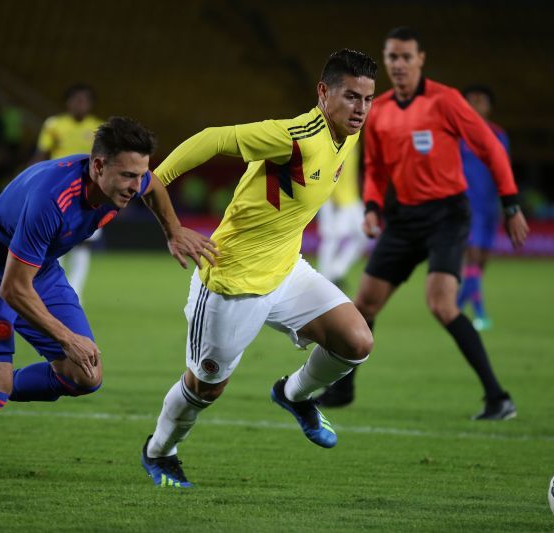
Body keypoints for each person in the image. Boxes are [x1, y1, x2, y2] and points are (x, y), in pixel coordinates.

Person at [0, 117, 216, 499]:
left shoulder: (123, 183)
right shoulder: (51, 200)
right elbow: (12, 289)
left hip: (37, 267)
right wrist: (66, 337)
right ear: (97, 166)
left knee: (84, 375)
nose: (135, 186)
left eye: (138, 174)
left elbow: (154, 185)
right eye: (127, 175)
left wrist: (173, 230)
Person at [140, 49, 377, 488]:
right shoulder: (296, 136)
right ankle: (159, 451)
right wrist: (152, 179)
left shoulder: (349, 134)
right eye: (350, 97)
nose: (360, 109)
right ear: (323, 93)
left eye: (367, 98)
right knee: (204, 390)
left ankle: (292, 394)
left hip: (286, 271)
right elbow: (213, 138)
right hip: (232, 280)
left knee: (356, 341)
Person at [317, 28, 528, 420]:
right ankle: (343, 389)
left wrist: (511, 203)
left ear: (420, 60)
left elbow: (489, 147)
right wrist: (373, 206)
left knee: (441, 305)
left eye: (405, 57)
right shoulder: (376, 110)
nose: (398, 65)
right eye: (392, 57)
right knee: (364, 304)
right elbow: (376, 166)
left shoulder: (445, 101)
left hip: (446, 215)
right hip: (402, 219)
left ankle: (498, 397)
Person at [31, 83, 104, 300]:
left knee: (83, 243)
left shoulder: (99, 129)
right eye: (76, 99)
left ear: (90, 104)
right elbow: (41, 154)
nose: (80, 104)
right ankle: (56, 291)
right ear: (68, 102)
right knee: (56, 240)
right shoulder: (54, 125)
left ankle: (75, 295)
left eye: (85, 100)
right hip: (58, 190)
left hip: (88, 193)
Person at [456, 85, 511, 331]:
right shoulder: (458, 135)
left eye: (482, 101)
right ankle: (480, 314)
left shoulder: (499, 135)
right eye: (472, 101)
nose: (477, 105)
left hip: (490, 207)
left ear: (489, 106)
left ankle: (454, 307)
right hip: (467, 205)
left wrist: (508, 205)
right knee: (473, 258)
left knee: (482, 262)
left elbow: (504, 171)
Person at [316, 137, 369, 288]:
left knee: (363, 235)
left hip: (352, 200)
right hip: (332, 200)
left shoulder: (354, 141)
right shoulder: (328, 143)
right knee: (331, 238)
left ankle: (336, 270)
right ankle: (323, 278)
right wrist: (333, 202)